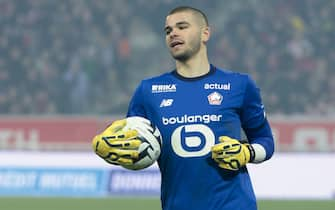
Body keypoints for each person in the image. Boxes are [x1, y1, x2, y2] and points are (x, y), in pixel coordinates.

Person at [93, 6, 274, 210]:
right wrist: (116, 152)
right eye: (168, 30)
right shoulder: (148, 91)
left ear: (205, 33)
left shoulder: (239, 85)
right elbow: (135, 148)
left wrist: (246, 152)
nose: (173, 34)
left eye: (182, 26)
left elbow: (265, 141)